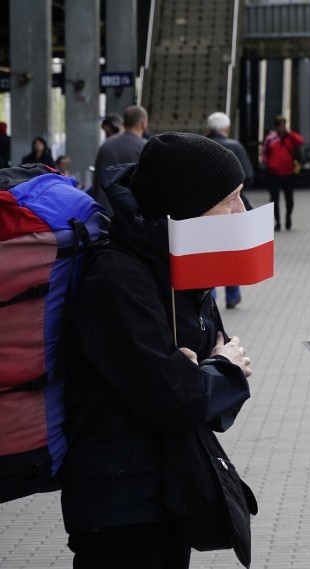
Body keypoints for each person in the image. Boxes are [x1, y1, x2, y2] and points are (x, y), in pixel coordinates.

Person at [59, 132, 253, 569]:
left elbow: (201, 398)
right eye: (231, 199)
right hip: (121, 505)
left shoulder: (180, 266)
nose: (243, 212)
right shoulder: (118, 277)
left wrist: (207, 373)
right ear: (187, 205)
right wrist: (221, 369)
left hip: (167, 488)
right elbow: (178, 401)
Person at [206, 111, 255, 309]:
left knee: (208, 252)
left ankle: (210, 294)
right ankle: (233, 294)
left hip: (206, 210)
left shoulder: (199, 146)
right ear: (226, 128)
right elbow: (249, 176)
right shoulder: (235, 147)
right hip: (231, 210)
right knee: (231, 250)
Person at [92, 105, 149, 215]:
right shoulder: (145, 147)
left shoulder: (106, 146)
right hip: (130, 218)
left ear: (124, 123)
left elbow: (97, 180)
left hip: (103, 214)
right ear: (143, 124)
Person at [261, 115, 304, 231]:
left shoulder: (290, 137)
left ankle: (288, 217)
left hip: (288, 173)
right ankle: (278, 221)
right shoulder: (270, 138)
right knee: (274, 199)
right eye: (280, 125)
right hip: (273, 174)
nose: (282, 128)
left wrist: (289, 133)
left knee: (289, 199)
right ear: (276, 126)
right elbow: (264, 153)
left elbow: (301, 140)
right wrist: (268, 164)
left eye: (284, 125)